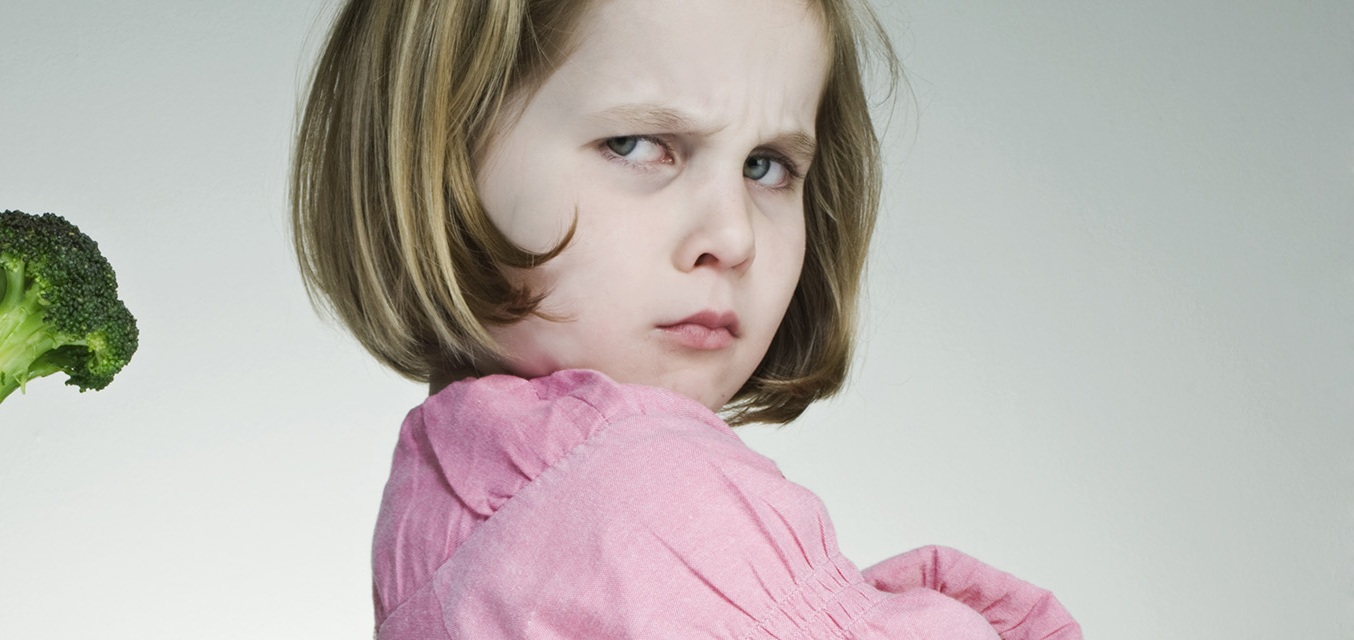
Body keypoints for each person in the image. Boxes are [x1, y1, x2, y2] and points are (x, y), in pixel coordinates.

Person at [292, 0, 1083, 637]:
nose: (732, 237)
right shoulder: (650, 491)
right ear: (441, 154)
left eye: (767, 166)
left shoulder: (444, 504)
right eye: (637, 145)